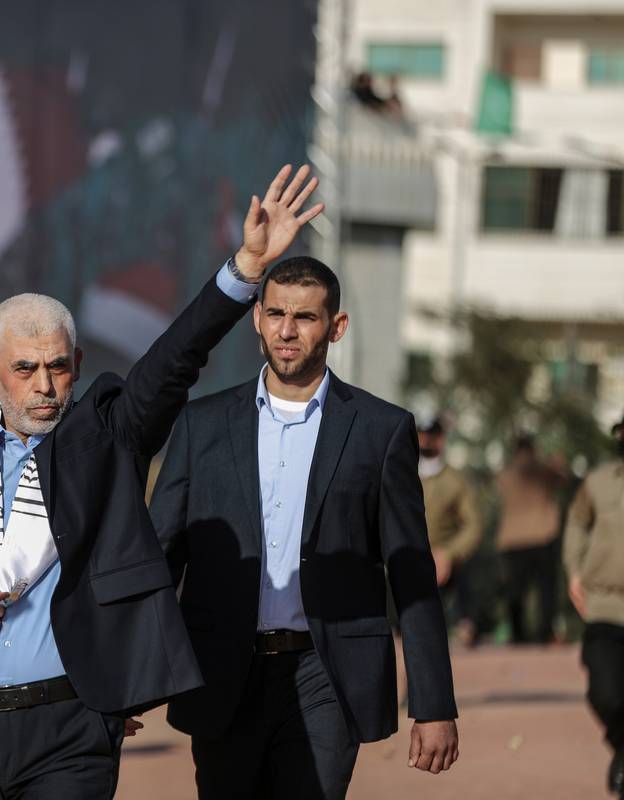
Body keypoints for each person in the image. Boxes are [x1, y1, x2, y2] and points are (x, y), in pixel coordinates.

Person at [0, 164, 324, 799]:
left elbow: (175, 360)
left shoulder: (107, 438)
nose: (45, 384)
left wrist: (245, 270)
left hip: (75, 724)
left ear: (78, 365)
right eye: (24, 368)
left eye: (58, 366)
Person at [150, 256, 460, 799]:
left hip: (328, 675)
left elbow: (412, 573)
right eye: (275, 314)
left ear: (335, 327)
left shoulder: (381, 430)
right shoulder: (202, 424)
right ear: (257, 320)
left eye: (305, 317)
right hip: (223, 672)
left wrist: (433, 704)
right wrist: (131, 681)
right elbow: (160, 556)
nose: (287, 330)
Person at [563, 413, 624, 798]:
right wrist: (574, 570)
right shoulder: (599, 483)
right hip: (605, 606)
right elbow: (577, 522)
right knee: (605, 694)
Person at [495, 436, 566, 644]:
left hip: (514, 540)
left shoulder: (507, 473)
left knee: (515, 590)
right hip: (543, 535)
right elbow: (563, 479)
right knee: (546, 589)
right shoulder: (542, 470)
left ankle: (518, 634)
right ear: (532, 449)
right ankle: (545, 632)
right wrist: (558, 462)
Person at [418, 413, 482, 635]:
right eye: (421, 435)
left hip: (445, 565)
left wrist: (449, 553)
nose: (425, 441)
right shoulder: (401, 473)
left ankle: (465, 624)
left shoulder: (455, 481)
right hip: (406, 560)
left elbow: (472, 525)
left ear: (441, 440)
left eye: (431, 436)